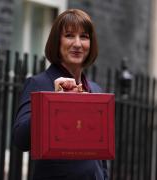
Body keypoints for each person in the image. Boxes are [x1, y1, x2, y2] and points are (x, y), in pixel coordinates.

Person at [13, 8, 108, 180]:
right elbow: (21, 140)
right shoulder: (39, 83)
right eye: (70, 35)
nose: (78, 44)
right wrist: (55, 100)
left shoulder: (95, 90)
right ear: (57, 42)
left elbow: (100, 156)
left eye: (84, 37)